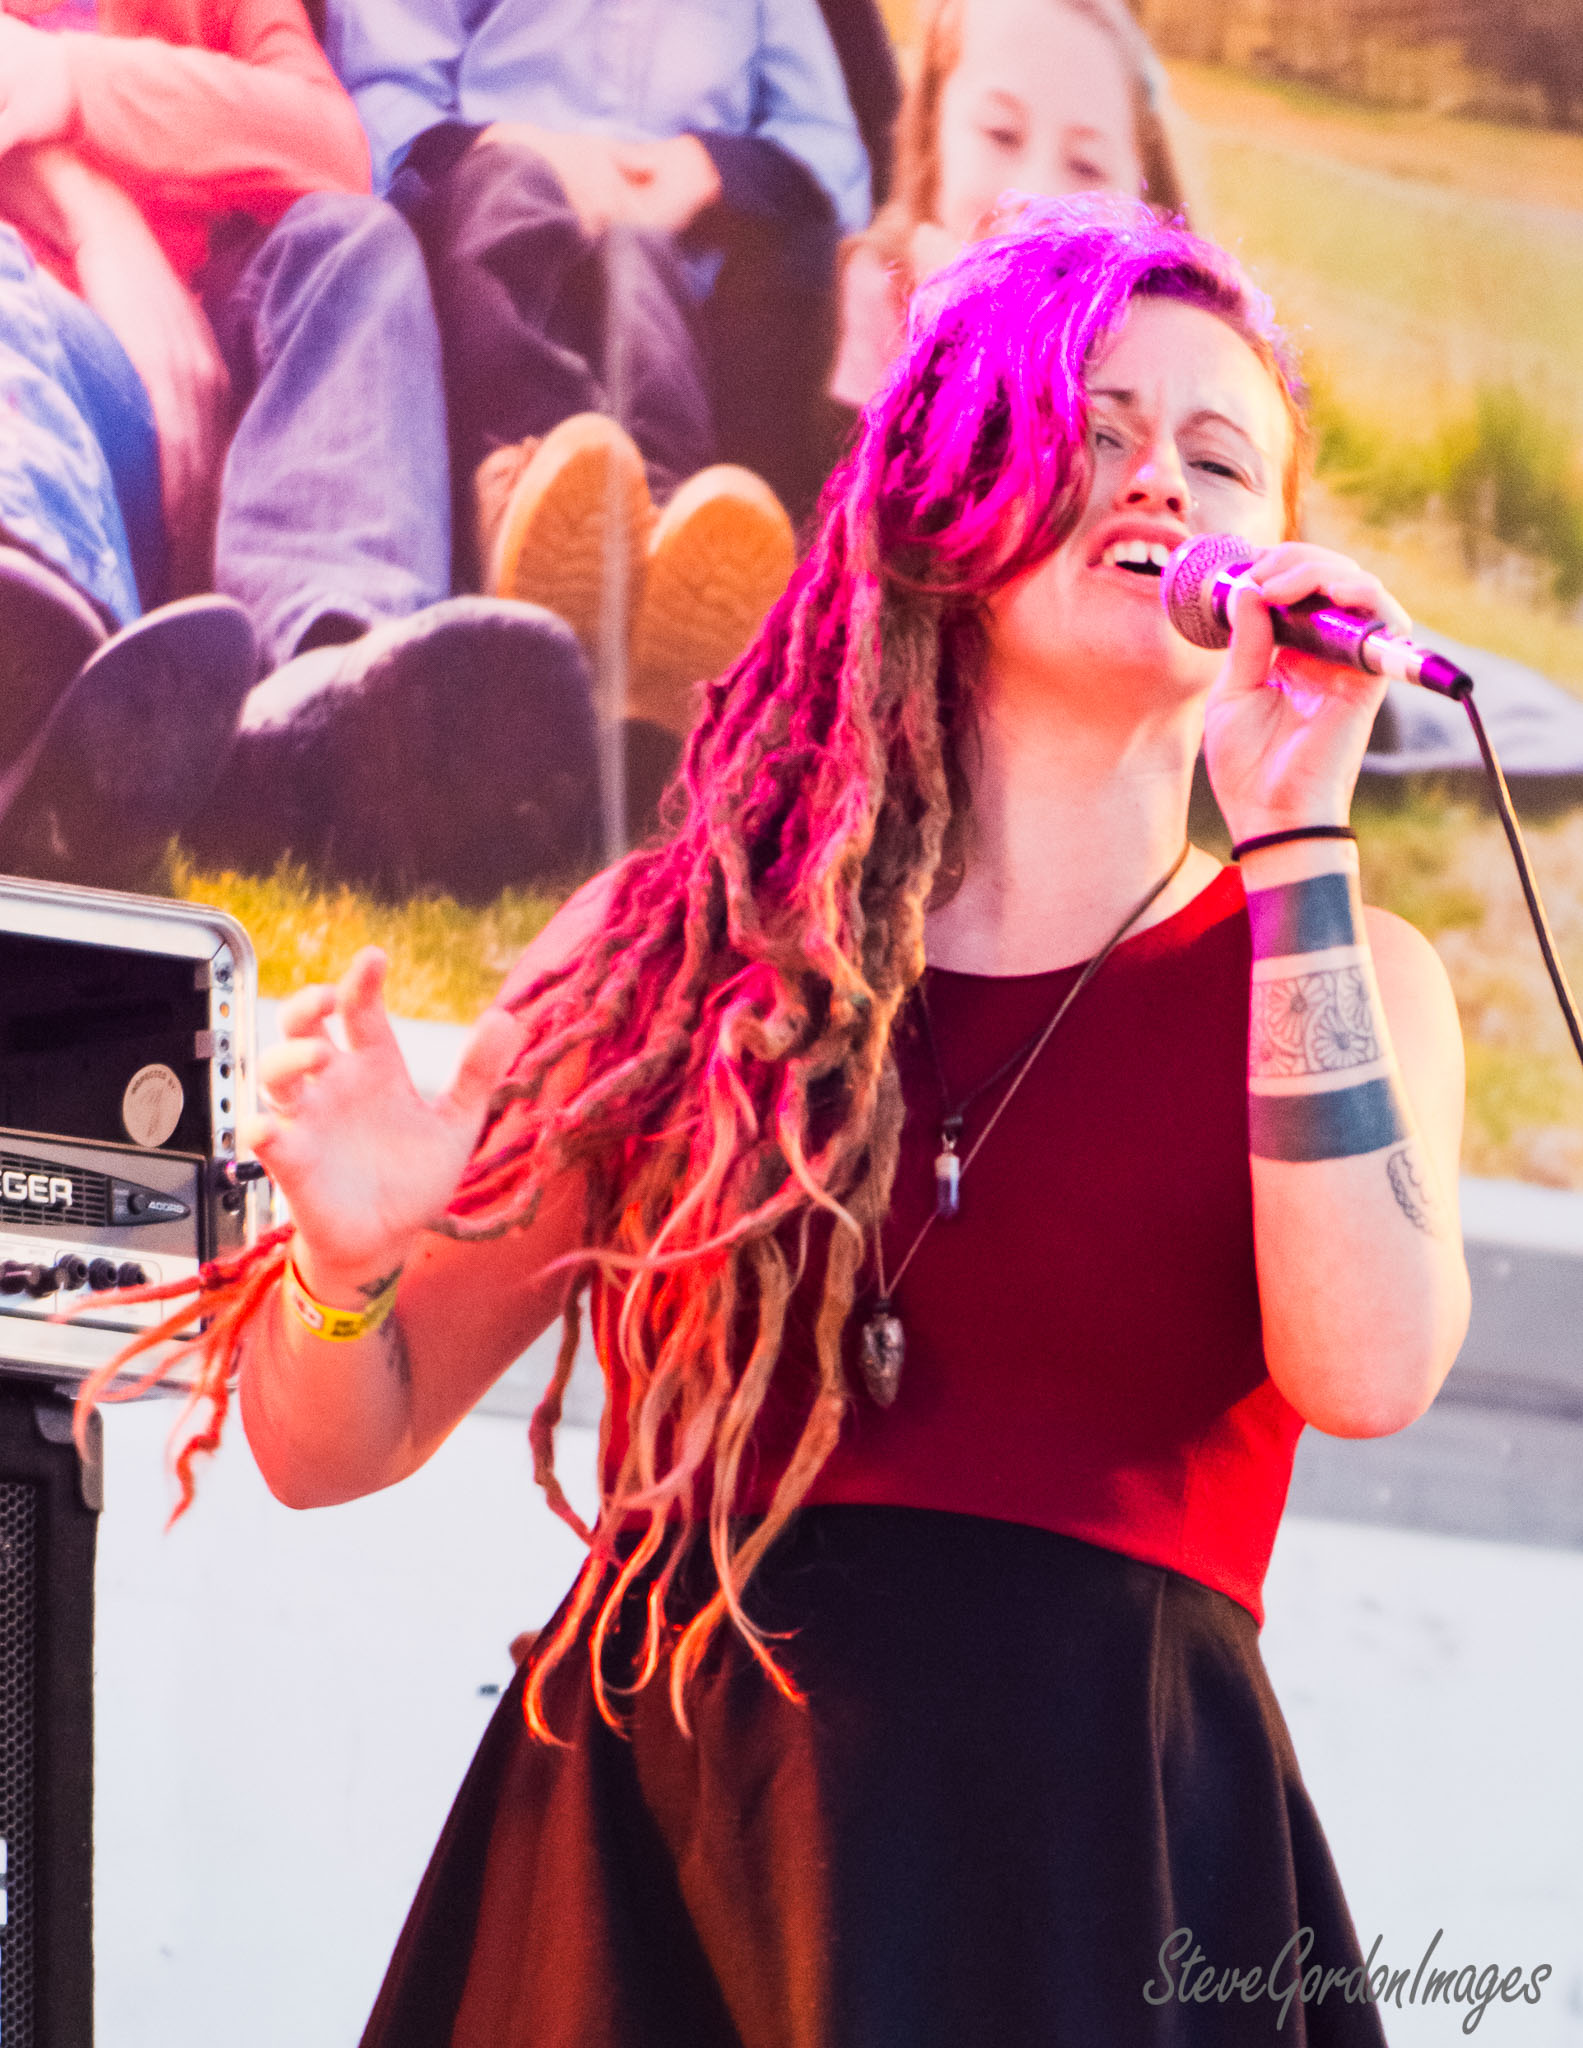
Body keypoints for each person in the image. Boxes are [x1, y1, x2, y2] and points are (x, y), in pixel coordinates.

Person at [113, 197, 1470, 2042]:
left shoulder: (1335, 968)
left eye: (1219, 457)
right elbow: (328, 1441)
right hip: (659, 1868)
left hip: (1094, 1864)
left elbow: (1367, 1368)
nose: (1159, 477)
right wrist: (344, 1265)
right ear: (945, 496)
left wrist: (1299, 818)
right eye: (1093, 430)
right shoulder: (680, 952)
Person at [0, 0, 597, 897]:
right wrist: (95, 218)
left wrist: (71, 85)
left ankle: (334, 687)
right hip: (51, 410)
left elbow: (330, 149)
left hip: (226, 449)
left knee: (350, 242)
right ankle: (32, 656)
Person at [324, 0, 876, 762]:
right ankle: (530, 499)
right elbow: (383, 95)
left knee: (636, 261)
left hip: (672, 247)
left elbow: (829, 154)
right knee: (511, 204)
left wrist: (708, 167)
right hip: (495, 194)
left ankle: (667, 544)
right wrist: (512, 145)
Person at [829, 0, 1189, 412]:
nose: (1036, 195)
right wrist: (957, 342)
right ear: (933, 131)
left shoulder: (1161, 340)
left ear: (1141, 202)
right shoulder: (886, 289)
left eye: (1086, 165)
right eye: (1001, 134)